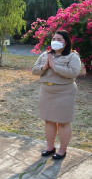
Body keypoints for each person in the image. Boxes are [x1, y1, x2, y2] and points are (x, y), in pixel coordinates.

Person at [32, 30, 81, 160]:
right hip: (46, 92)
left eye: (59, 39)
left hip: (64, 92)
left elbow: (73, 72)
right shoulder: (45, 55)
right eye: (54, 39)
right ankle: (50, 146)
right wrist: (45, 66)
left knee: (63, 122)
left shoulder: (72, 56)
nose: (55, 41)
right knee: (49, 120)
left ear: (66, 42)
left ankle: (62, 150)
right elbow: (34, 70)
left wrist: (54, 67)